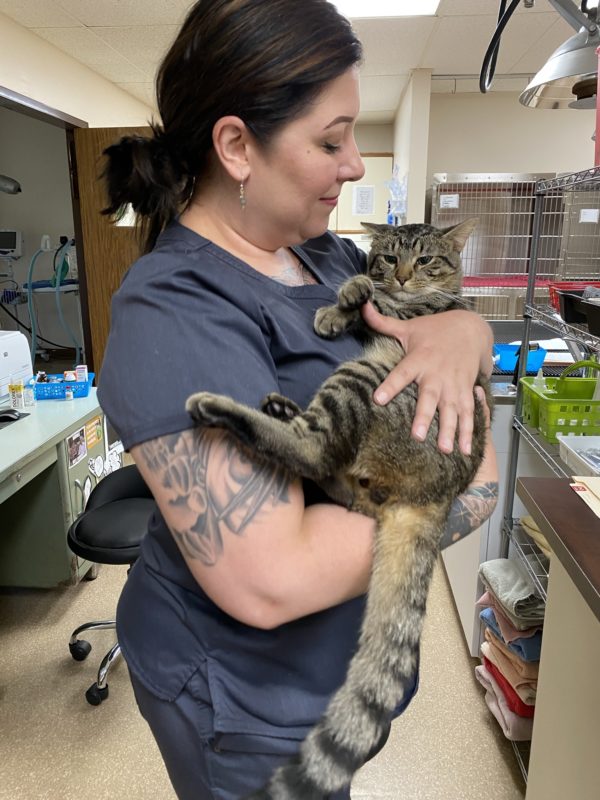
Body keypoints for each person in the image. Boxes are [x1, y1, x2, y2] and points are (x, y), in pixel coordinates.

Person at [97, 2, 499, 798]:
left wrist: (469, 334)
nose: (354, 166)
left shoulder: (325, 255)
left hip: (332, 672)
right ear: (237, 147)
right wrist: (467, 488)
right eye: (331, 140)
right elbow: (274, 575)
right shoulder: (173, 310)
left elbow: (435, 325)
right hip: (247, 704)